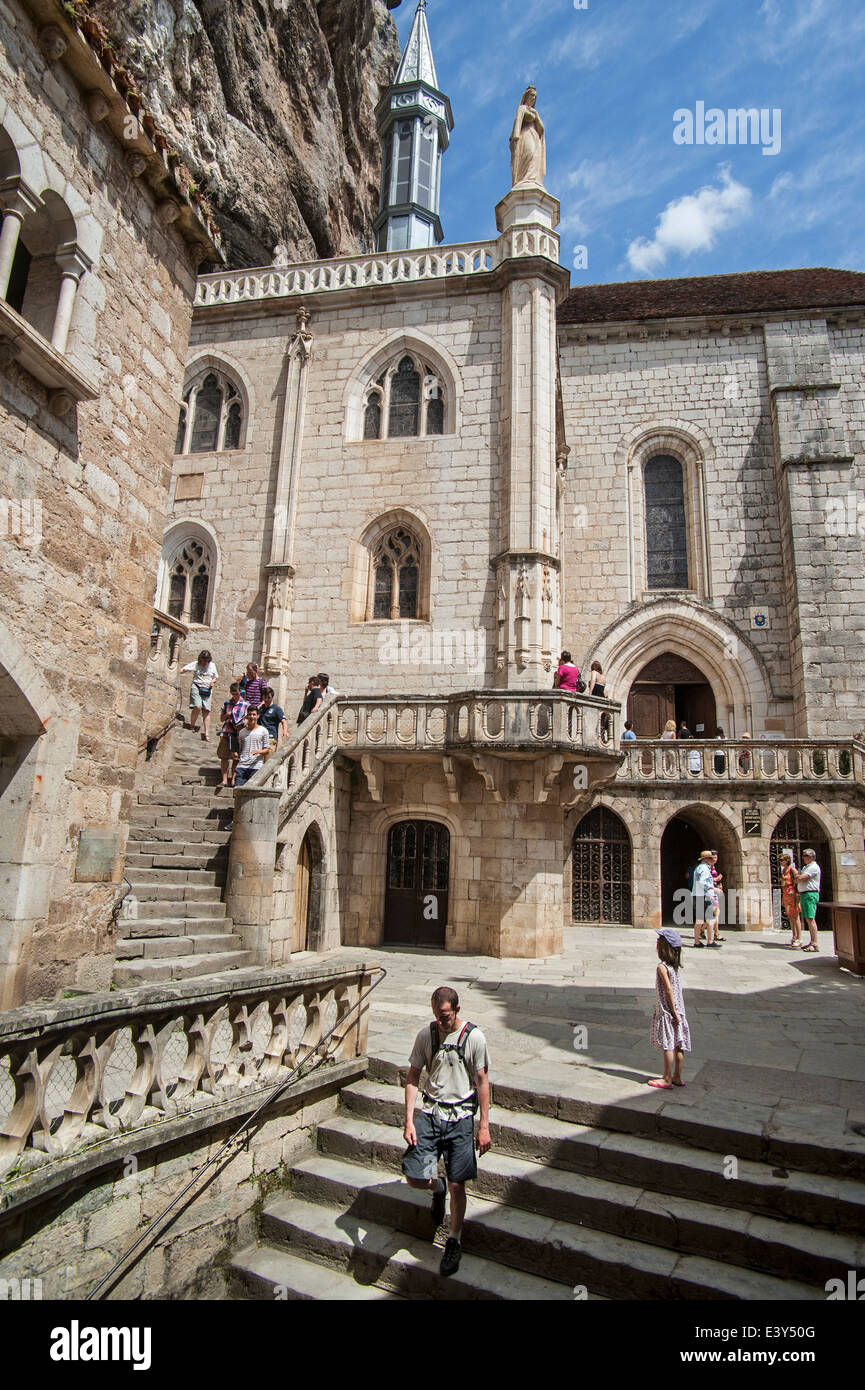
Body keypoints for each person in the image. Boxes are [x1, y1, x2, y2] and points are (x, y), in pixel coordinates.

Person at [402, 986, 491, 1278]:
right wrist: (409, 1120)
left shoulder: (473, 1037)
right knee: (415, 1175)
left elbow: (482, 1081)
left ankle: (454, 1239)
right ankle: (435, 1188)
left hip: (462, 1118)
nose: (441, 1021)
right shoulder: (426, 1035)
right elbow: (413, 1076)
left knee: (458, 1184)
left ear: (457, 1010)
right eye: (437, 1015)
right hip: (431, 1114)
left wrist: (484, 1126)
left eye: (446, 1016)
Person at [648, 928, 690, 1089]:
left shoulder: (662, 967)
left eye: (659, 941)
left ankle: (666, 1077)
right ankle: (677, 1076)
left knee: (668, 1044)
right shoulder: (675, 967)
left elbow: (668, 990)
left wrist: (672, 1011)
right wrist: (678, 1012)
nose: (657, 943)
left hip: (667, 1011)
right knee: (679, 1043)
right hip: (680, 1010)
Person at [182, 650, 218, 741]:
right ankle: (192, 725)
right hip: (197, 687)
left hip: (207, 689)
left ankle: (206, 734)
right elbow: (184, 669)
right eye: (203, 660)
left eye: (207, 661)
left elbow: (215, 677)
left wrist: (213, 682)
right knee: (197, 707)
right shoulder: (196, 664)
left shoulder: (212, 665)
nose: (205, 663)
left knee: (206, 710)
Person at [217, 682, 248, 787]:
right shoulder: (226, 704)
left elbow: (248, 719)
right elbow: (221, 719)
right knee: (224, 756)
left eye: (237, 694)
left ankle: (233, 779)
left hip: (239, 733)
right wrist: (227, 715)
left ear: (240, 692)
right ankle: (224, 780)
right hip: (227, 732)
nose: (235, 696)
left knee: (236, 758)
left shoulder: (245, 705)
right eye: (233, 694)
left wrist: (242, 724)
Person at [233, 707, 272, 788]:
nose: (252, 717)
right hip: (242, 766)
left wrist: (258, 751)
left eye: (254, 714)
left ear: (258, 716)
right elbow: (240, 749)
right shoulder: (242, 732)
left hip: (256, 767)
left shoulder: (263, 731)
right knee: (238, 792)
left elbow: (267, 750)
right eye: (250, 714)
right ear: (247, 716)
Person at [692, 849, 720, 947]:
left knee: (700, 919)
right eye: (711, 858)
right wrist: (713, 888)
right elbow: (702, 882)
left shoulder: (700, 867)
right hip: (704, 896)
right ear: (707, 859)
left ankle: (697, 942)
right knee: (711, 919)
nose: (713, 860)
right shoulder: (704, 868)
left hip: (698, 895)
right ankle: (710, 941)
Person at [795, 849, 821, 952]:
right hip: (805, 894)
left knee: (810, 918)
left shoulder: (813, 867)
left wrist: (798, 878)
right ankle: (812, 942)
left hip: (810, 894)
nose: (803, 857)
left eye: (805, 855)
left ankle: (814, 943)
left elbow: (801, 878)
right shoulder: (807, 867)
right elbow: (799, 878)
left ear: (811, 857)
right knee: (808, 918)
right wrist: (798, 878)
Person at [779, 848, 803, 947]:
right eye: (780, 860)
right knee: (790, 917)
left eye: (782, 860)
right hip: (786, 895)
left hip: (792, 894)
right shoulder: (783, 870)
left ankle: (799, 938)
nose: (780, 862)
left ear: (787, 860)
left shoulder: (792, 869)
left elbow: (797, 880)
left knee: (796, 917)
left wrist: (797, 893)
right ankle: (794, 936)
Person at [709, 850, 726, 942]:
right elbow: (706, 880)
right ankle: (716, 933)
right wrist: (716, 879)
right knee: (716, 913)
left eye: (716, 857)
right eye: (713, 857)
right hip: (710, 893)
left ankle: (702, 930)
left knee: (715, 913)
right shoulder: (707, 867)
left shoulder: (713, 867)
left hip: (714, 892)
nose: (715, 859)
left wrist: (718, 884)